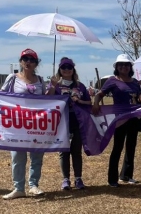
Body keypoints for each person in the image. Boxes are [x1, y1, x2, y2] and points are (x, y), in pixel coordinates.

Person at [92, 54, 141, 187]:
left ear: (130, 67)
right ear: (116, 67)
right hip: (120, 119)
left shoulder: (135, 82)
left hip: (134, 118)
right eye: (121, 64)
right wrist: (96, 103)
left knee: (131, 147)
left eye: (126, 64)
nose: (124, 67)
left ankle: (127, 175)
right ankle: (112, 179)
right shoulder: (112, 80)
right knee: (117, 147)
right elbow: (100, 94)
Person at [0, 48, 49, 200]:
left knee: (37, 156)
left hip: (36, 124)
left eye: (32, 60)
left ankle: (33, 185)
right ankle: (18, 188)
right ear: (21, 61)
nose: (28, 62)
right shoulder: (13, 78)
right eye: (25, 59)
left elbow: (47, 101)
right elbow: (1, 96)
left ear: (36, 63)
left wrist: (52, 88)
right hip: (17, 124)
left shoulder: (41, 81)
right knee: (17, 156)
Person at [48, 57, 90, 190]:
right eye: (63, 67)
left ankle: (78, 179)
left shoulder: (80, 86)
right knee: (63, 151)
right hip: (61, 122)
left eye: (69, 67)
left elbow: (89, 102)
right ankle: (65, 179)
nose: (66, 70)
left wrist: (79, 101)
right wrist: (53, 87)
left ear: (73, 70)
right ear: (59, 70)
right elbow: (47, 100)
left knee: (76, 151)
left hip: (77, 121)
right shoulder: (55, 85)